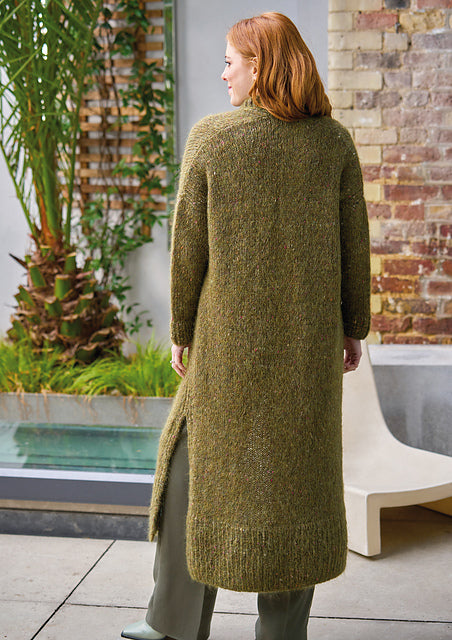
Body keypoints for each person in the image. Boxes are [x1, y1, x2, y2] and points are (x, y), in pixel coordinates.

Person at [121, 11, 370, 640]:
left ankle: (174, 624)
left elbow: (187, 250)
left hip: (225, 345)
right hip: (308, 348)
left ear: (259, 67)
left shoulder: (212, 138)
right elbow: (355, 243)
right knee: (296, 482)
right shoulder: (333, 143)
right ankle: (281, 633)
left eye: (231, 61)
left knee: (189, 472)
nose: (223, 72)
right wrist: (353, 326)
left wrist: (181, 330)